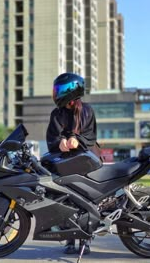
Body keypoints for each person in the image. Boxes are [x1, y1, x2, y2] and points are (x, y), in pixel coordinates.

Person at [46, 72, 101, 255]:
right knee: (66, 199)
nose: (57, 93)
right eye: (56, 90)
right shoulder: (57, 113)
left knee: (86, 200)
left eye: (60, 90)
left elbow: (90, 135)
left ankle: (86, 238)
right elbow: (53, 136)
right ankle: (69, 238)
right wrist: (59, 142)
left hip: (86, 161)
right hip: (65, 163)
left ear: (72, 90)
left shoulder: (87, 110)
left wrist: (77, 140)